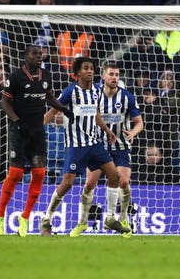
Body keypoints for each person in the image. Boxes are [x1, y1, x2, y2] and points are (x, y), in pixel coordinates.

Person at [40, 57, 129, 237]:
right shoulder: (70, 92)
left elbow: (95, 113)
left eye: (92, 68)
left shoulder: (96, 91)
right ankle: (46, 219)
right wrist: (37, 128)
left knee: (114, 176)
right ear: (78, 73)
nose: (90, 71)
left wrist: (106, 130)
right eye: (86, 68)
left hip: (95, 143)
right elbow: (53, 110)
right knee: (68, 183)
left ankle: (110, 218)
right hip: (76, 145)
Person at [0, 45, 74, 237]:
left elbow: (49, 97)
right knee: (15, 174)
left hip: (37, 131)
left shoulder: (45, 75)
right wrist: (17, 121)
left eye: (40, 54)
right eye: (34, 54)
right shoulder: (15, 77)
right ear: (26, 56)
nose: (39, 57)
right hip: (19, 131)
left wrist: (62, 108)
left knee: (39, 173)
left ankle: (25, 217)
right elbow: (4, 101)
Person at [69, 63, 143, 238]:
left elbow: (139, 122)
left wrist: (133, 132)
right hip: (98, 145)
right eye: (111, 74)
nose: (114, 77)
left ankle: (123, 219)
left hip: (120, 146)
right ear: (103, 76)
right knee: (89, 184)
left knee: (123, 182)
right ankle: (82, 223)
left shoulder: (127, 97)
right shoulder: (94, 94)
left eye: (117, 74)